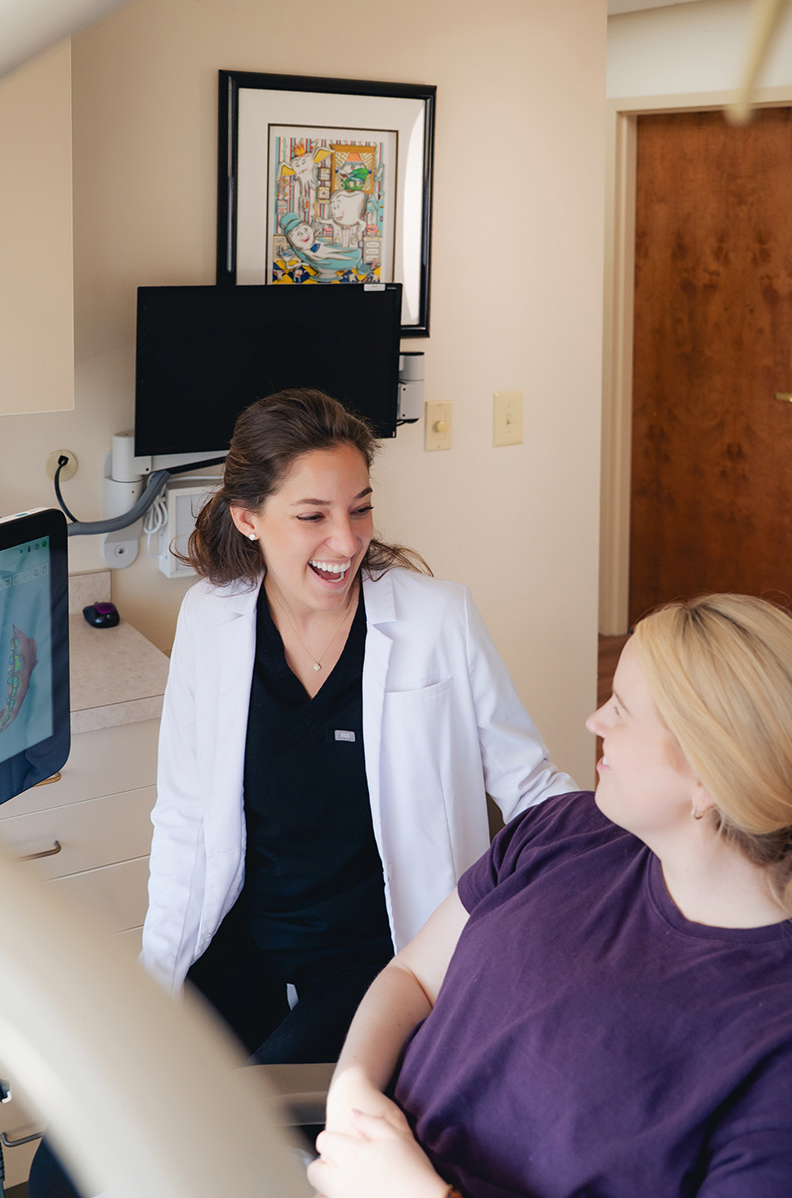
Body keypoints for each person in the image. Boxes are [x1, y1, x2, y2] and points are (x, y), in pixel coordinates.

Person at [307, 594, 792, 1198]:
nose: (594, 721)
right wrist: (352, 1094)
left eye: (622, 709)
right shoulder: (565, 830)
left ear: (707, 779)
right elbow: (413, 977)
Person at [141, 387, 576, 1062]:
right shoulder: (211, 618)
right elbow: (183, 816)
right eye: (313, 516)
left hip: (378, 961)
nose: (346, 541)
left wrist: (631, 860)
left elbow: (531, 788)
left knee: (255, 1127)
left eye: (361, 508)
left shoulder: (437, 621)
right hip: (241, 948)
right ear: (249, 518)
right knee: (87, 1150)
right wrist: (153, 979)